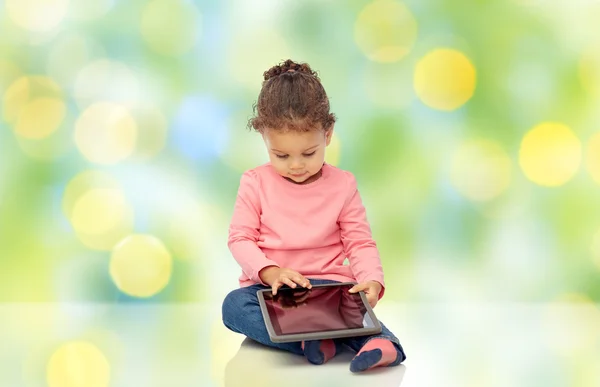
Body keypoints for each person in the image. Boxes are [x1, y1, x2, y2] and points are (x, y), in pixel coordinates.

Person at [221, 59, 406, 373]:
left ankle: (382, 345)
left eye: (309, 153)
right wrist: (270, 271)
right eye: (281, 155)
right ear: (264, 137)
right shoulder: (254, 182)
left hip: (329, 288)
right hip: (272, 291)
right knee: (233, 306)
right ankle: (310, 340)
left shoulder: (343, 184)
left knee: (354, 308)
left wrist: (371, 280)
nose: (296, 165)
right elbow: (240, 239)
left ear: (328, 134)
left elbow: (359, 242)